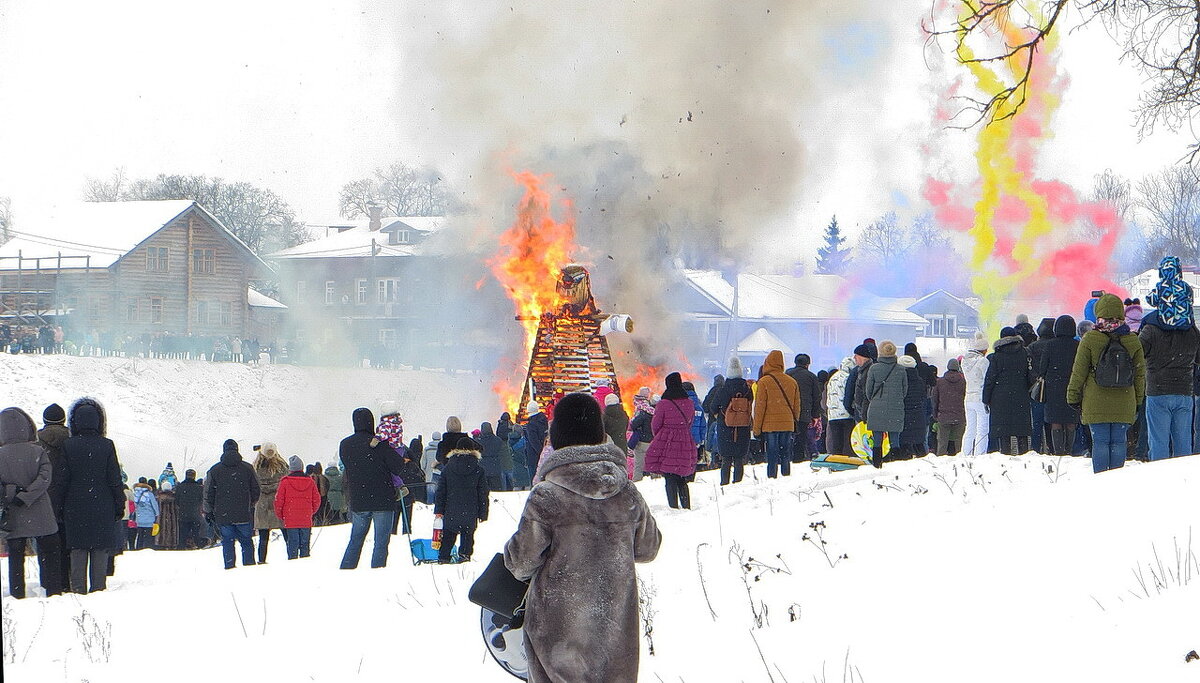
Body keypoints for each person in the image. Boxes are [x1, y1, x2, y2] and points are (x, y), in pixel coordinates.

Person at [504, 389, 661, 683]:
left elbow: (520, 562)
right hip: (615, 642)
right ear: (600, 435)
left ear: (558, 436)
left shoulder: (547, 496)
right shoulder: (626, 492)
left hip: (558, 641)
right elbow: (648, 548)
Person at [1068, 294, 1147, 473]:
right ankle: (1115, 481)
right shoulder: (1133, 340)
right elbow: (1140, 374)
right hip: (1125, 400)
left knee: (1101, 441)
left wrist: (1073, 396)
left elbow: (1078, 371)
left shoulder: (1089, 339)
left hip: (1096, 400)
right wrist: (1138, 400)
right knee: (1119, 441)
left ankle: (1101, 481)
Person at [61, 398, 124, 593]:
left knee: (78, 549)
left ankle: (78, 591)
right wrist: (118, 503)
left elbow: (63, 479)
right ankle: (98, 589)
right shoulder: (106, 445)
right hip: (102, 504)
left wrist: (60, 506)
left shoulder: (68, 445)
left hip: (75, 504)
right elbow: (115, 478)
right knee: (99, 549)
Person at [0, 407, 61, 598]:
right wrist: (28, 495)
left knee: (16, 557)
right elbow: (45, 478)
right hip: (40, 510)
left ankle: (18, 594)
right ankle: (52, 591)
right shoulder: (38, 451)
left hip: (14, 513)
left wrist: (14, 493)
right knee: (49, 551)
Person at [339, 408, 406, 569]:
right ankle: (377, 573)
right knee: (381, 543)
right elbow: (398, 466)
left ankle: (346, 571)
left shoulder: (345, 445)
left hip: (358, 499)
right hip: (383, 499)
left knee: (356, 540)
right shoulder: (379, 444)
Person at [1138, 297, 1200, 461]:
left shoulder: (1150, 329)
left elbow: (1137, 354)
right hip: (1184, 391)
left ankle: (1160, 481)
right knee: (1183, 444)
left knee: (1158, 443)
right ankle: (1183, 481)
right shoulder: (1192, 330)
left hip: (1158, 391)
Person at [204, 439, 261, 569]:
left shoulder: (215, 470)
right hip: (243, 513)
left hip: (223, 514)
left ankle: (229, 567)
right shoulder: (248, 468)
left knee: (227, 543)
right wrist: (250, 504)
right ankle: (249, 566)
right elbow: (257, 489)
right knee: (246, 542)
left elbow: (208, 493)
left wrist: (209, 511)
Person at [645, 373, 697, 508]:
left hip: (667, 440)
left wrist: (662, 436)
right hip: (685, 440)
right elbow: (690, 421)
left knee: (669, 475)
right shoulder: (689, 402)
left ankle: (673, 507)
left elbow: (655, 424)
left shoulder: (663, 403)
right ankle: (686, 506)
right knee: (681, 476)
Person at [433, 436, 489, 563]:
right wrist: (483, 513)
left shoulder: (448, 468)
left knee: (448, 536)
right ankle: (464, 556)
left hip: (450, 509)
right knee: (468, 536)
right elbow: (483, 493)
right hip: (470, 509)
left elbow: (441, 491)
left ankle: (444, 558)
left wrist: (439, 510)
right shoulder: (478, 470)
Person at [983, 327, 1035, 455]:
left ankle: (1005, 456)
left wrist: (986, 399)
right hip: (1021, 396)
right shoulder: (1025, 354)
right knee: (1021, 430)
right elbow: (1031, 377)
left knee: (1003, 431)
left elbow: (990, 380)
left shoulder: (995, 357)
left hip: (1000, 398)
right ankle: (1024, 456)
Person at [36, 403, 70, 593]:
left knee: (46, 545)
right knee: (67, 542)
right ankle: (66, 581)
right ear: (64, 420)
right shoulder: (71, 441)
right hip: (68, 499)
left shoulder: (37, 444)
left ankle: (47, 582)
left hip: (44, 500)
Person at [752, 350, 801, 478]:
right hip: (787, 424)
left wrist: (756, 429)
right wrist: (793, 421)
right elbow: (797, 406)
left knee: (772, 454)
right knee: (785, 453)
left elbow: (759, 408)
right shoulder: (792, 381)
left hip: (770, 426)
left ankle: (772, 477)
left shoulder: (764, 382)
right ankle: (786, 476)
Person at [1039, 315, 1082, 455]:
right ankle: (1069, 450)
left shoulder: (1050, 345)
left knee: (1055, 420)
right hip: (1073, 386)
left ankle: (1058, 451)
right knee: (1071, 420)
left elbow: (1042, 369)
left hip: (1054, 388)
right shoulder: (1077, 345)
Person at [865, 341, 907, 468]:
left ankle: (877, 465)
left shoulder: (874, 368)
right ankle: (895, 465)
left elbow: (868, 391)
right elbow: (904, 390)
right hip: (896, 408)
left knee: (877, 440)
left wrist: (876, 400)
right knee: (895, 440)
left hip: (877, 409)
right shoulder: (901, 370)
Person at [711, 356, 753, 484]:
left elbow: (712, 407)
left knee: (726, 459)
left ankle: (725, 483)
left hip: (725, 427)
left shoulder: (723, 389)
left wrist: (720, 414)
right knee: (739, 458)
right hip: (743, 426)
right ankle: (738, 483)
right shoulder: (747, 389)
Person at [274, 456, 321, 559]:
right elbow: (317, 500)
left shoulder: (285, 482)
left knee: (293, 545)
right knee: (305, 545)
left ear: (290, 468)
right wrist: (311, 512)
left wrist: (281, 515)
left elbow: (278, 501)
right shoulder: (310, 481)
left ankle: (293, 565)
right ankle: (304, 564)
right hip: (306, 518)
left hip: (290, 518)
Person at [252, 442, 287, 563]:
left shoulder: (255, 468)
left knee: (263, 536)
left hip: (262, 504)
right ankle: (292, 556)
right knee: (286, 532)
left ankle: (261, 559)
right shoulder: (282, 467)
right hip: (277, 503)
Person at [1028, 318, 1057, 453]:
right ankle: (1052, 447)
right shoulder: (1055, 345)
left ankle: (1036, 448)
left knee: (1037, 422)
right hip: (1055, 387)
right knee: (1052, 421)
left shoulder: (1033, 347)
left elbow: (1029, 368)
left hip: (1038, 388)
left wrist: (1037, 380)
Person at [961, 333, 991, 456]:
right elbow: (986, 379)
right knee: (982, 428)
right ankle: (980, 453)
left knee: (970, 428)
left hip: (968, 397)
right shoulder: (983, 361)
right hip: (980, 397)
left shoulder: (964, 361)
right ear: (984, 350)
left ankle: (966, 453)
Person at [932, 358, 967, 455]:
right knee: (959, 443)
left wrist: (935, 415)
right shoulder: (963, 382)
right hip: (959, 416)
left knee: (942, 443)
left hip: (944, 416)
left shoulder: (940, 382)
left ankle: (940, 462)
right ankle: (961, 463)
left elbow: (935, 400)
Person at [825, 356, 857, 456]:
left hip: (833, 415)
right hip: (846, 414)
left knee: (836, 442)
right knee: (848, 442)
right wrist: (852, 411)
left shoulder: (833, 377)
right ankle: (847, 462)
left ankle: (836, 460)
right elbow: (850, 396)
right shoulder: (849, 377)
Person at [628, 388, 655, 482]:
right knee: (654, 464)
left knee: (638, 465)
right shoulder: (655, 412)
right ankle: (657, 483)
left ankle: (637, 484)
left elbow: (633, 424)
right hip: (653, 441)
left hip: (642, 440)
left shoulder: (641, 410)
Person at [175, 469, 207, 549]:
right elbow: (201, 500)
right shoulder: (199, 488)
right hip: (195, 514)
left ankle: (181, 547)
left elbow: (177, 500)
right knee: (196, 532)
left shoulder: (180, 487)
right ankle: (198, 545)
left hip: (183, 514)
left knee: (183, 533)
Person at [682, 381, 707, 466]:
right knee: (693, 463)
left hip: (682, 439)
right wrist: (701, 439)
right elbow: (703, 425)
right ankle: (691, 478)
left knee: (682, 463)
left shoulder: (681, 405)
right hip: (695, 440)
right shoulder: (699, 407)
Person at [131, 476, 160, 549]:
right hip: (149, 518)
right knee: (148, 536)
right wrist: (157, 514)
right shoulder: (149, 493)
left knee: (140, 535)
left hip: (139, 518)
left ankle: (139, 548)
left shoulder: (135, 493)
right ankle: (147, 548)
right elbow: (154, 505)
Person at [522, 404, 549, 478]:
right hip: (545, 455)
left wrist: (540, 453)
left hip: (533, 457)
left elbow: (533, 441)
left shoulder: (531, 425)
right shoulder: (544, 421)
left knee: (534, 480)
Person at [478, 422, 505, 492]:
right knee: (496, 490)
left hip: (483, 468)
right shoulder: (498, 440)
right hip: (495, 467)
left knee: (483, 491)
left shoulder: (478, 442)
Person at [155, 479, 179, 550]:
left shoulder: (158, 497)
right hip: (172, 517)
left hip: (161, 517)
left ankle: (161, 542)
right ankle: (172, 542)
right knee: (172, 529)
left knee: (161, 528)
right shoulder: (174, 497)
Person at [422, 432, 441, 503]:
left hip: (429, 476)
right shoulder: (442, 449)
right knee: (439, 495)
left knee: (430, 495)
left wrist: (425, 472)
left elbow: (423, 463)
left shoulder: (427, 449)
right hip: (440, 475)